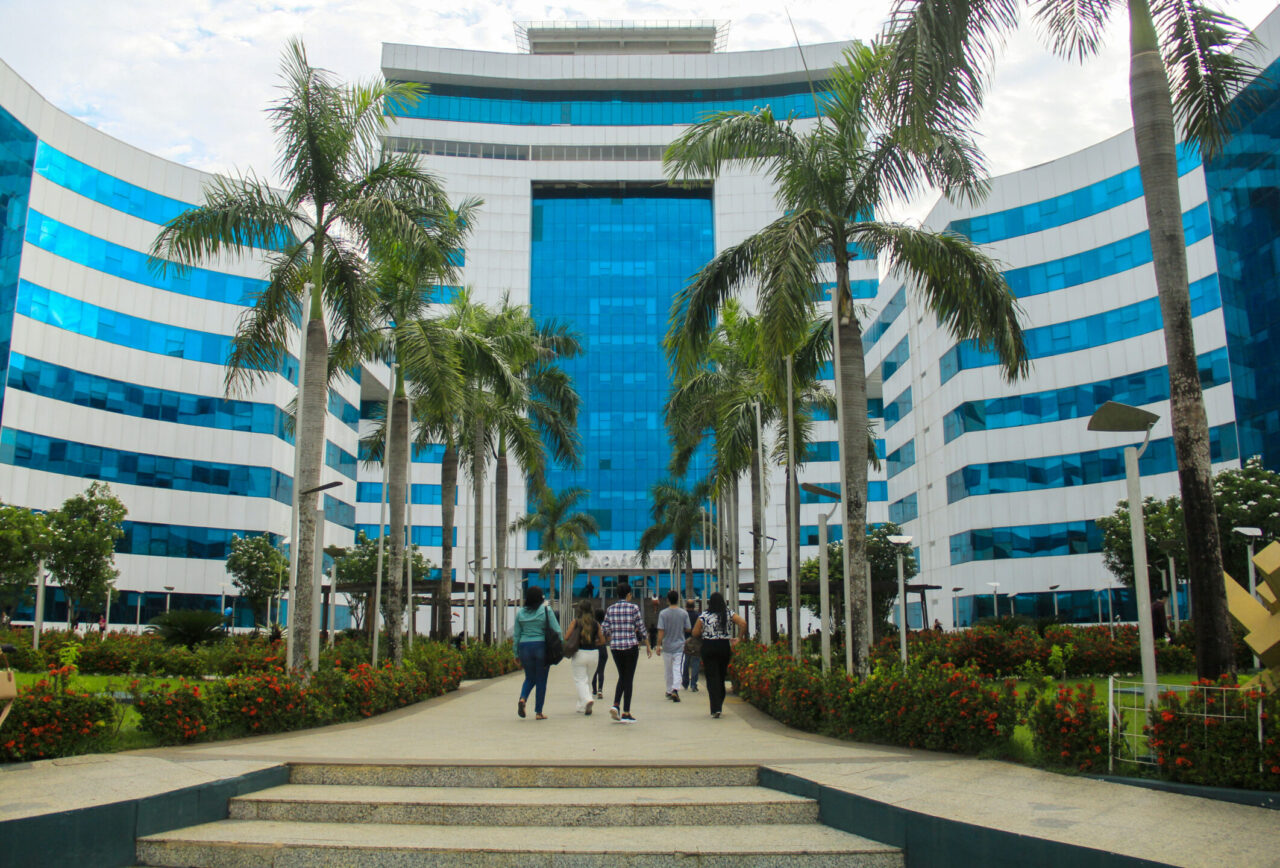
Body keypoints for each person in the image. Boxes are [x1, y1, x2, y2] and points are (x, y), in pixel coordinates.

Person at [691, 592, 748, 719]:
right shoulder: (728, 613)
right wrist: (739, 638)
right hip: (723, 646)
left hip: (709, 646)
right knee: (721, 676)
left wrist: (704, 632)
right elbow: (743, 623)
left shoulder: (704, 615)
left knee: (712, 677)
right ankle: (719, 703)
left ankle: (715, 707)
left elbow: (695, 632)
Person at [602, 582, 649, 722]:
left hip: (616, 647)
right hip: (630, 646)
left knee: (622, 676)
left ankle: (616, 705)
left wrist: (612, 636)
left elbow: (604, 629)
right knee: (628, 678)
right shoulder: (633, 608)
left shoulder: (610, 609)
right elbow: (641, 627)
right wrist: (647, 644)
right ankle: (626, 712)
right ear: (628, 594)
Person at [512, 585, 560, 720]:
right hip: (541, 646)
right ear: (540, 598)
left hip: (524, 647)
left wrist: (516, 653)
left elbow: (516, 635)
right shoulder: (546, 610)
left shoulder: (520, 613)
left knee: (529, 677)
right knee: (541, 680)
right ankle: (538, 712)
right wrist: (561, 645)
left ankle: (522, 698)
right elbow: (557, 630)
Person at [566, 600, 605, 714]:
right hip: (594, 654)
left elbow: (566, 637)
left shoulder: (576, 622)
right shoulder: (596, 623)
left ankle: (588, 700)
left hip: (580, 653)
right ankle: (581, 706)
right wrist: (594, 643)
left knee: (580, 680)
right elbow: (602, 640)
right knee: (587, 680)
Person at [656, 590, 691, 702]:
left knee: (668, 670)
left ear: (667, 600)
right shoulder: (684, 613)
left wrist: (658, 645)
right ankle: (675, 689)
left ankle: (669, 690)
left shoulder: (663, 613)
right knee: (677, 668)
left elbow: (661, 631)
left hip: (667, 646)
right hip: (679, 646)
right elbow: (688, 628)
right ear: (678, 599)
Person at [682, 603, 701, 692]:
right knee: (695, 662)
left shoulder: (683, 615)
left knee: (686, 662)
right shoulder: (698, 615)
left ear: (686, 606)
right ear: (694, 606)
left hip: (686, 641)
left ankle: (685, 682)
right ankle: (693, 684)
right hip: (696, 641)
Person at [592, 607, 608, 699]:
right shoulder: (605, 625)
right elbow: (608, 638)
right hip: (602, 649)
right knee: (601, 670)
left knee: (593, 671)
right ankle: (600, 690)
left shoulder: (593, 625)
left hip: (594, 649)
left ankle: (594, 689)